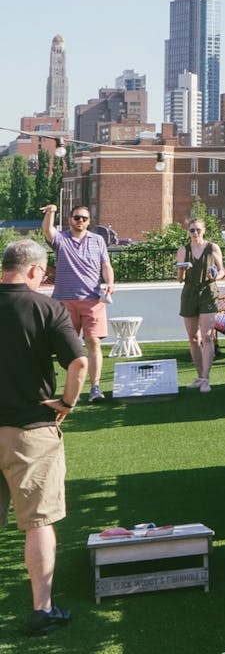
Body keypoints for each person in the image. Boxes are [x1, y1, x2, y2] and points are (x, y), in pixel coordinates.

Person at [0, 239, 89, 637]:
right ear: (35, 270)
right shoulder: (47, 308)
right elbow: (80, 362)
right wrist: (67, 402)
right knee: (38, 522)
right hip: (30, 432)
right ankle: (42, 609)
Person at [40, 205, 114, 402]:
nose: (80, 221)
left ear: (89, 221)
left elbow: (105, 265)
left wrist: (110, 283)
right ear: (70, 219)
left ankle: (95, 388)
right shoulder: (61, 239)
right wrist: (51, 213)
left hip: (93, 300)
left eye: (84, 218)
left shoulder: (98, 240)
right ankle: (72, 389)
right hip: (64, 301)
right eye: (76, 218)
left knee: (94, 342)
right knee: (67, 347)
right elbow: (47, 230)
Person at [176, 219, 225, 392]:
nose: (195, 233)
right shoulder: (183, 250)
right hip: (189, 293)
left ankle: (206, 379)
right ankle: (199, 376)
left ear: (204, 230)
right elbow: (179, 279)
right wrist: (183, 270)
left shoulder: (212, 248)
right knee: (193, 338)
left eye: (198, 230)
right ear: (188, 232)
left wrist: (215, 277)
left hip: (208, 292)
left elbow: (222, 270)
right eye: (191, 230)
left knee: (207, 337)